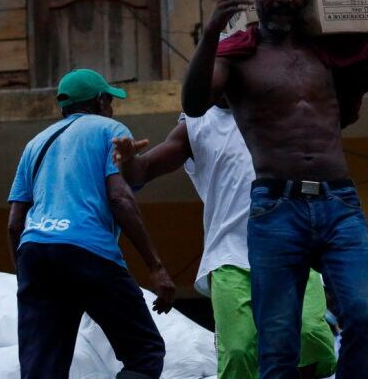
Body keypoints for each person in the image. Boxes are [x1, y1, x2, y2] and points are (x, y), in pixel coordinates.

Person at [181, 0, 368, 379]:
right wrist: (213, 29)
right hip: (276, 207)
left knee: (365, 317)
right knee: (277, 344)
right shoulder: (237, 56)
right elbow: (193, 103)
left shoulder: (330, 51)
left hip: (338, 203)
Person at [112, 102, 338, 378]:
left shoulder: (280, 105)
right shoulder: (196, 126)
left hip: (293, 247)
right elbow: (142, 171)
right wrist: (129, 161)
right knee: (240, 350)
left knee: (309, 332)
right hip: (229, 257)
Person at [6, 68, 175, 379]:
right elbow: (120, 199)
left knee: (42, 370)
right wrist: (155, 265)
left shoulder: (34, 144)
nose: (111, 108)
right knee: (144, 353)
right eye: (110, 101)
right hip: (87, 251)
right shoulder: (109, 129)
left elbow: (15, 224)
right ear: (99, 101)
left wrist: (29, 280)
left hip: (35, 252)